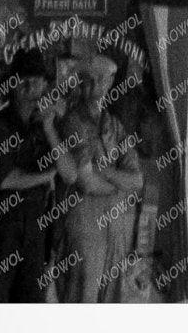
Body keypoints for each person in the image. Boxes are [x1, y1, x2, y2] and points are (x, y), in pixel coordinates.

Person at [0, 48, 62, 303]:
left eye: (37, 82)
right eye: (25, 82)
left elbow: (69, 172)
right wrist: (45, 177)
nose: (31, 89)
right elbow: (4, 178)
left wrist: (51, 127)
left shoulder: (44, 126)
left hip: (34, 227)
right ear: (12, 85)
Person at [56, 50, 141, 303]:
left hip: (115, 225)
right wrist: (118, 182)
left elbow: (137, 181)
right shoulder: (72, 122)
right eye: (87, 80)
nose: (94, 86)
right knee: (84, 299)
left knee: (112, 300)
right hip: (85, 224)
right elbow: (87, 183)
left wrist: (102, 171)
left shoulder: (114, 125)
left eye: (100, 80)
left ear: (110, 83)